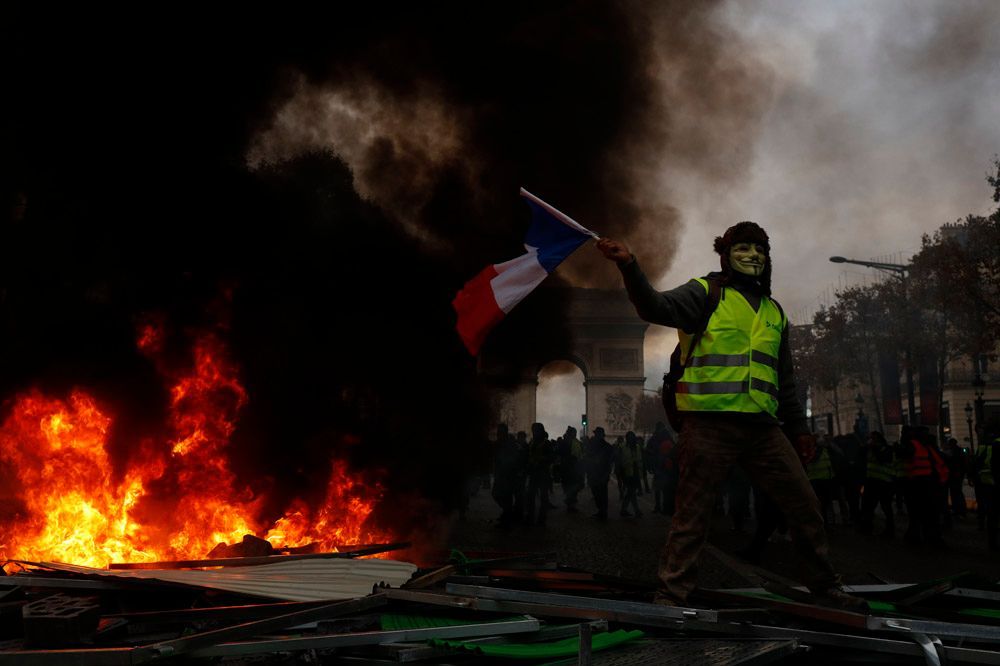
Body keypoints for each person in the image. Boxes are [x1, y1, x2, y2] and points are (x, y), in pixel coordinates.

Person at [597, 221, 865, 612]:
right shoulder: (706, 292)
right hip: (709, 424)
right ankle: (671, 596)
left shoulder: (776, 312)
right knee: (692, 516)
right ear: (725, 255)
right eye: (743, 247)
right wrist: (629, 266)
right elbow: (655, 306)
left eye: (760, 249)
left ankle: (825, 588)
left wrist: (800, 430)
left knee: (806, 506)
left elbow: (785, 379)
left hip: (764, 429)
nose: (753, 255)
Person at [857, 431, 896, 537]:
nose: (871, 441)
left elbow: (883, 459)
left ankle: (890, 529)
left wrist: (874, 449)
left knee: (886, 507)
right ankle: (867, 527)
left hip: (884, 482)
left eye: (872, 439)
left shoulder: (887, 449)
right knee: (868, 506)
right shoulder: (869, 449)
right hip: (871, 482)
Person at [524, 422, 555, 526]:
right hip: (534, 473)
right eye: (533, 430)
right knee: (530, 496)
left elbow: (551, 457)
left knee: (543, 497)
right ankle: (530, 517)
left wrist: (540, 460)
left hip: (543, 473)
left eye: (536, 430)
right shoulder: (532, 442)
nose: (534, 432)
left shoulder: (546, 443)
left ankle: (541, 519)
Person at [585, 426, 614, 520]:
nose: (596, 435)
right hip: (595, 473)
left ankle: (603, 512)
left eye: (598, 434)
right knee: (597, 493)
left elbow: (610, 460)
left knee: (601, 494)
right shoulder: (594, 445)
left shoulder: (606, 446)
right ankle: (601, 511)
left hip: (601, 473)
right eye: (596, 434)